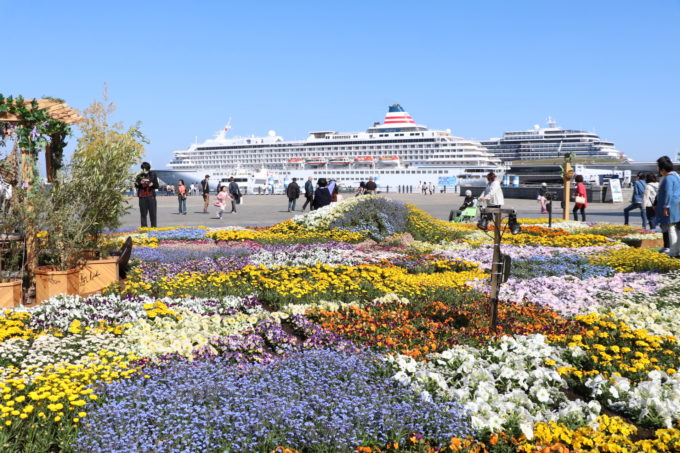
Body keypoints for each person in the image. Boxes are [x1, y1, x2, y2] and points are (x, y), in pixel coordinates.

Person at [655, 156, 680, 256]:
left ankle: (673, 251)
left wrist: (666, 207)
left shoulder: (668, 178)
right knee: (677, 229)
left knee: (671, 228)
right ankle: (677, 250)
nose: (658, 170)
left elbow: (668, 193)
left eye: (659, 168)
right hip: (677, 204)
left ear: (663, 169)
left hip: (671, 206)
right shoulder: (676, 177)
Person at [134, 162, 159, 228]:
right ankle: (144, 229)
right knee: (143, 214)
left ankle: (154, 228)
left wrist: (152, 184)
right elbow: (136, 185)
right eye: (143, 169)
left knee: (153, 214)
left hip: (151, 197)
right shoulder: (139, 175)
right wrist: (140, 183)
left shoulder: (153, 174)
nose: (145, 170)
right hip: (142, 197)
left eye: (146, 169)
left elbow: (157, 185)